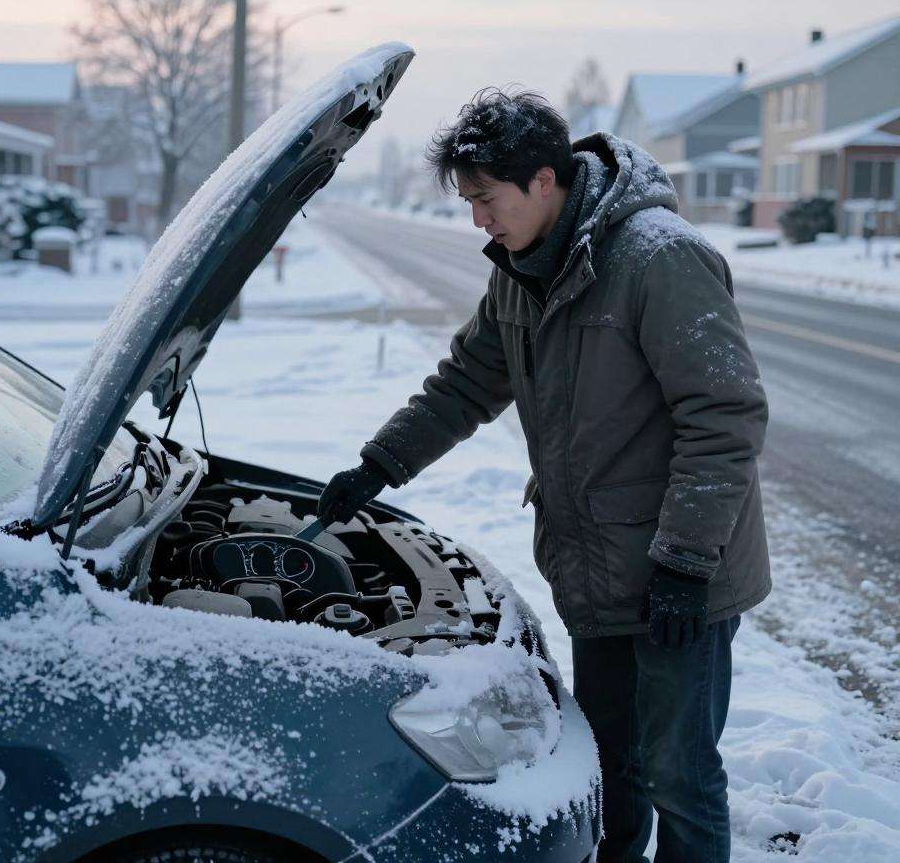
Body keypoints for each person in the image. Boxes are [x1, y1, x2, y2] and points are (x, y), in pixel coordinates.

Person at [317, 88, 771, 863]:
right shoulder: (523, 273)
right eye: (467, 202)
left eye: (486, 199)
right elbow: (466, 383)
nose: (477, 221)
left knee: (680, 774)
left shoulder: (660, 259)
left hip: (678, 577)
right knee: (611, 767)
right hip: (597, 572)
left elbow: (725, 416)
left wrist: (687, 562)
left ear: (543, 180)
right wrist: (378, 465)